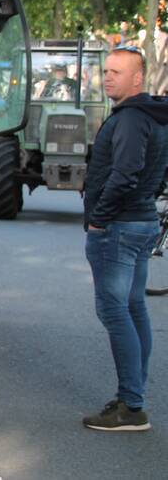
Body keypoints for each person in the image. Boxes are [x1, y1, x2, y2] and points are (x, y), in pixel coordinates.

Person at [81, 45, 168, 431]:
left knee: (115, 311)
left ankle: (132, 407)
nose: (108, 77)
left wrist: (99, 219)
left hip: (118, 227)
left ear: (139, 78)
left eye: (118, 71)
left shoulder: (131, 119)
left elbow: (126, 172)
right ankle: (133, 397)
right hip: (141, 222)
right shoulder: (154, 116)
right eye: (107, 71)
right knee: (133, 309)